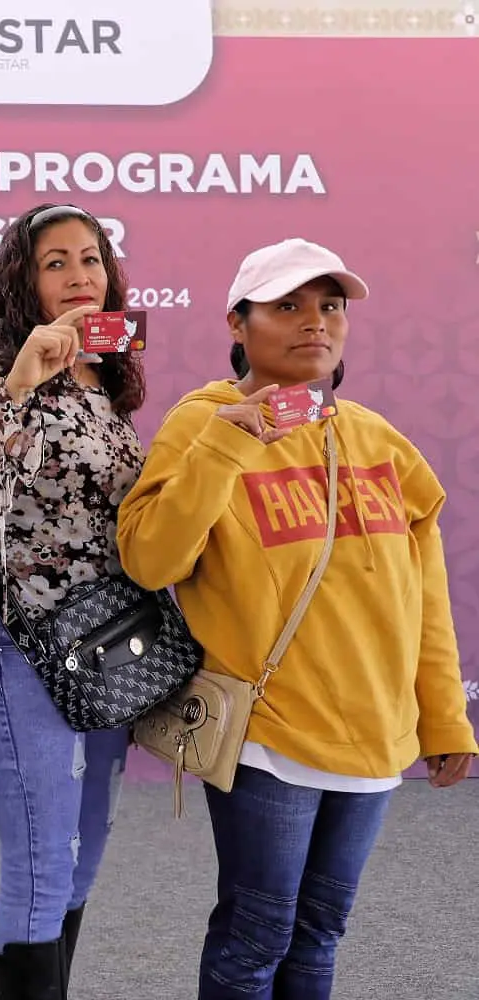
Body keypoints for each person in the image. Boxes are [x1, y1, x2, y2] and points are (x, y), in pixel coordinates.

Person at [115, 237, 478, 1000]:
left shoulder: (383, 444)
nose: (314, 321)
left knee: (319, 934)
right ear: (238, 323)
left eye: (329, 306)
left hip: (377, 734)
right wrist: (227, 442)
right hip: (269, 733)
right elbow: (152, 560)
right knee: (257, 934)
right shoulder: (205, 422)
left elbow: (425, 605)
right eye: (288, 305)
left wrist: (444, 718)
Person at [0, 202, 146, 998]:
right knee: (38, 860)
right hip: (26, 642)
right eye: (55, 262)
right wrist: (24, 381)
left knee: (84, 853)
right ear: (23, 281)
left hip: (115, 637)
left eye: (90, 259)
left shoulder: (110, 377)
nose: (77, 277)